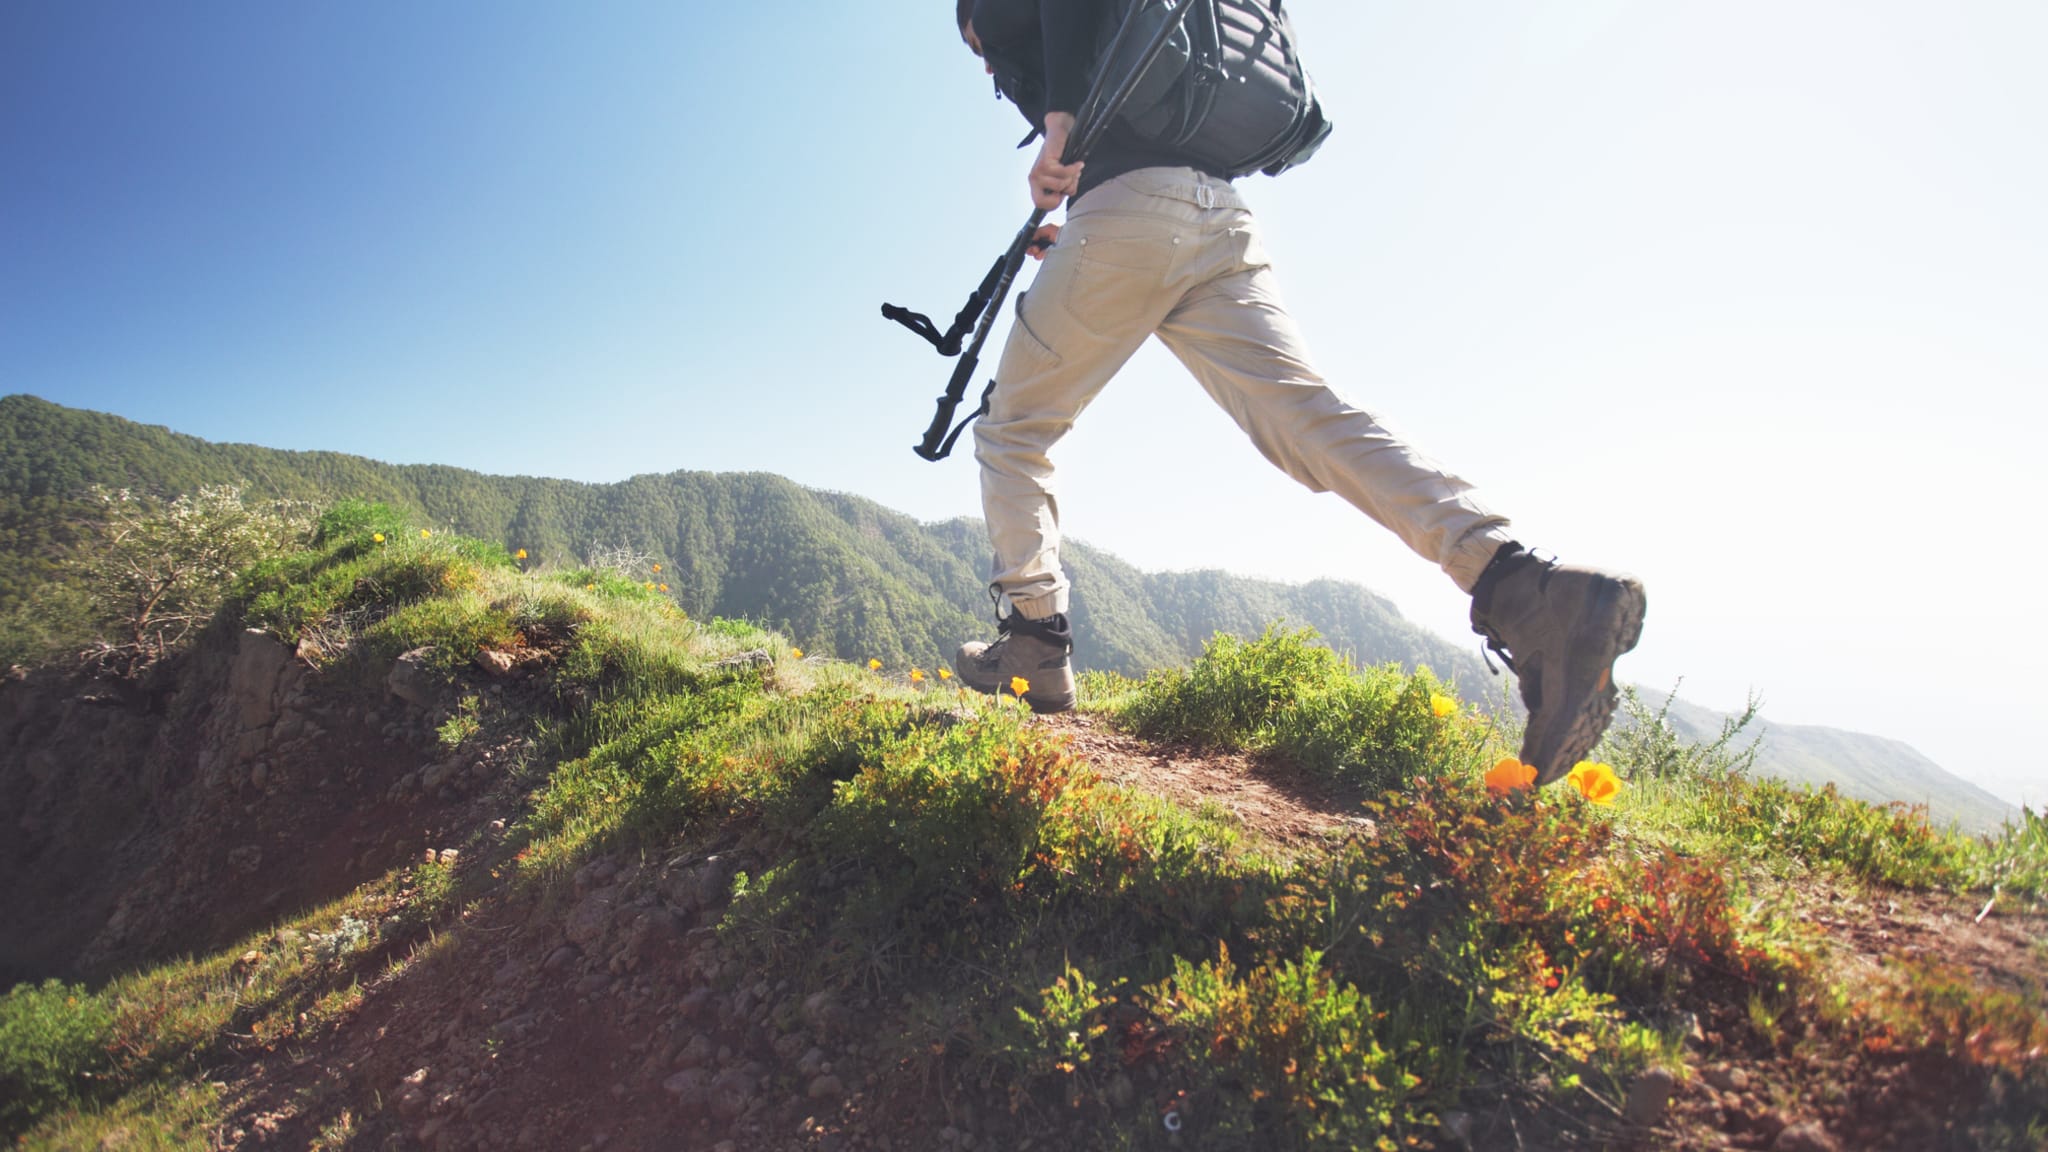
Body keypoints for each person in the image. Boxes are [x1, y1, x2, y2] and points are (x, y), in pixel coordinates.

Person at [948, 0, 1645, 785]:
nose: (986, 60)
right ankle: (1520, 583)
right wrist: (1085, 224)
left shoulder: (1007, 21)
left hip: (1129, 216)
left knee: (1014, 430)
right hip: (1218, 215)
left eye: (979, 44)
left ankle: (1035, 645)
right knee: (1305, 417)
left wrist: (1060, 134)